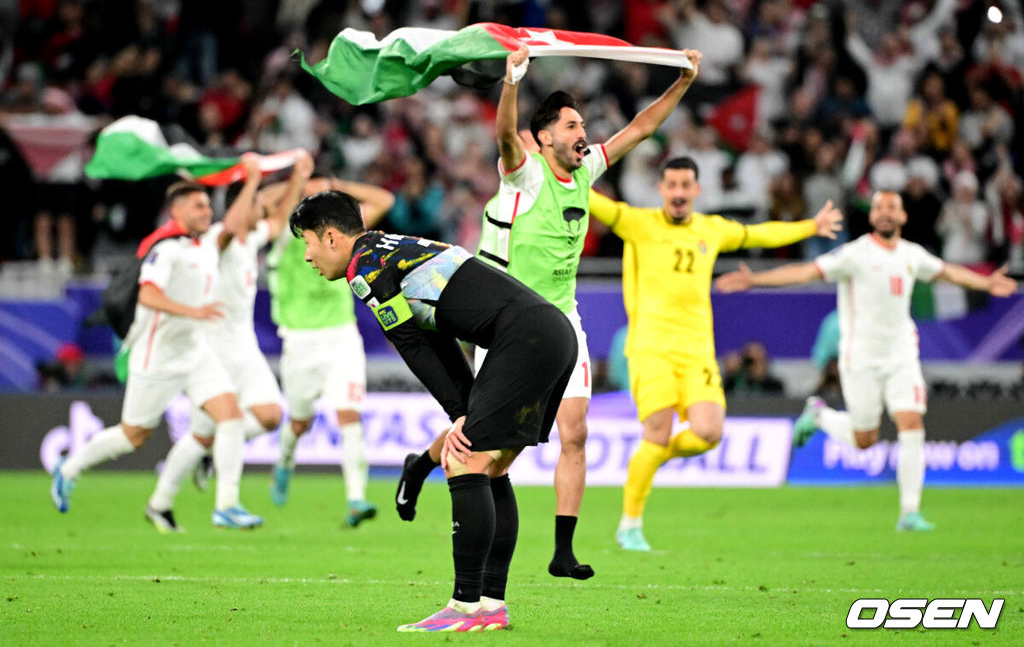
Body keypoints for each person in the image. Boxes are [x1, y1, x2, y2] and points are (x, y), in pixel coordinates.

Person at [395, 44, 704, 580]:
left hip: (563, 322)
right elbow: (503, 136)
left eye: (583, 123)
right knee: (490, 441)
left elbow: (640, 130)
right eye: (571, 124)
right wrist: (512, 82)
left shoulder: (586, 171)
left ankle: (563, 550)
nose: (582, 132)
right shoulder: (526, 174)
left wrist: (681, 82)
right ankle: (423, 463)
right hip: (508, 325)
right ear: (544, 138)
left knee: (574, 432)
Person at [290, 190, 576, 632]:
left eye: (306, 241)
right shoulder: (389, 248)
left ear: (330, 237)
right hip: (554, 334)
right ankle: (491, 605)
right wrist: (462, 409)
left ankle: (465, 606)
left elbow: (412, 345)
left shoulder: (364, 268)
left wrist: (459, 411)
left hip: (525, 339)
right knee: (491, 468)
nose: (307, 255)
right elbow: (436, 335)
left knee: (463, 460)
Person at [714, 190, 1018, 531]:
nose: (885, 213)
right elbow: (806, 272)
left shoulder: (911, 254)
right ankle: (819, 415)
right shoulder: (855, 254)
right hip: (860, 358)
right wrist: (755, 279)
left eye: (892, 207)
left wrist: (986, 282)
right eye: (879, 208)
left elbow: (948, 272)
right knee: (864, 440)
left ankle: (909, 512)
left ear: (903, 217)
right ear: (872, 217)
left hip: (902, 355)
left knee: (911, 423)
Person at [588, 156, 843, 551]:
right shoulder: (637, 223)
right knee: (656, 429)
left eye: (685, 185)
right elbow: (589, 200)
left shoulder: (712, 229)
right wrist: (544, 168)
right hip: (650, 347)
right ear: (661, 190)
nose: (677, 193)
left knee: (709, 433)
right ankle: (630, 524)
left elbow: (761, 235)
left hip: (697, 351)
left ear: (696, 190)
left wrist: (810, 226)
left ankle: (649, 460)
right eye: (671, 185)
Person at [50, 181, 259, 529]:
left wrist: (251, 179)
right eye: (198, 206)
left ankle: (227, 505)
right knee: (132, 436)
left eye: (208, 206)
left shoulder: (206, 244)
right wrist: (194, 312)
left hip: (195, 352)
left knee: (232, 417)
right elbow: (148, 295)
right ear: (176, 212)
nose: (207, 212)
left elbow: (235, 224)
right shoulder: (165, 249)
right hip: (157, 356)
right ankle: (70, 466)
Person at [143, 155, 310, 532]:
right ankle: (182, 503)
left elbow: (280, 220)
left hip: (243, 347)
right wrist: (250, 181)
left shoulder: (250, 239)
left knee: (268, 415)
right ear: (242, 203)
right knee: (208, 431)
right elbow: (232, 224)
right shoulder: (216, 237)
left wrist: (298, 178)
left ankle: (180, 485)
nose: (263, 209)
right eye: (257, 204)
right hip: (212, 349)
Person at [264, 164, 394, 526]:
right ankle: (285, 462)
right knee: (300, 422)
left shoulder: (338, 236)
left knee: (348, 416)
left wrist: (336, 185)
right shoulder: (284, 233)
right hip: (299, 341)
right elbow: (263, 201)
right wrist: (297, 183)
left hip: (341, 337)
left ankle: (356, 499)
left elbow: (385, 199)